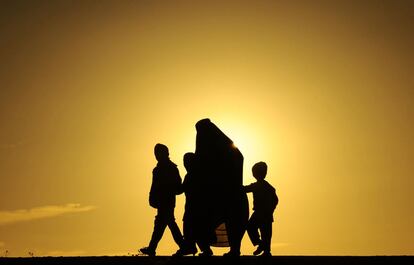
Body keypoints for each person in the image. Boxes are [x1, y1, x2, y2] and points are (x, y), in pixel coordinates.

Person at [140, 143, 184, 256]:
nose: (156, 155)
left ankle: (184, 246)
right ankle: (153, 247)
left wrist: (166, 190)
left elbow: (178, 186)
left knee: (165, 222)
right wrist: (152, 196)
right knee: (162, 223)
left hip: (167, 200)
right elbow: (154, 185)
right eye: (156, 153)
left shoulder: (171, 168)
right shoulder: (157, 169)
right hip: (162, 200)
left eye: (158, 153)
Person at [174, 152, 213, 257]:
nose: (185, 164)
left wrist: (173, 184)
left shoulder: (192, 176)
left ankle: (193, 248)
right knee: (196, 229)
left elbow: (180, 190)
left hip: (195, 208)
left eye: (186, 162)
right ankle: (200, 248)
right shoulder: (196, 175)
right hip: (195, 208)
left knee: (192, 228)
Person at [244, 162, 278, 257]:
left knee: (253, 228)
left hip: (260, 212)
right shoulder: (269, 187)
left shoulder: (258, 186)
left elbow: (245, 189)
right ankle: (263, 247)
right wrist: (271, 209)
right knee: (265, 232)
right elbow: (275, 200)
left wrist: (270, 209)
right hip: (266, 213)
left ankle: (262, 246)